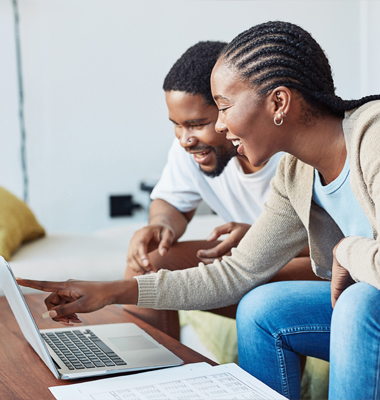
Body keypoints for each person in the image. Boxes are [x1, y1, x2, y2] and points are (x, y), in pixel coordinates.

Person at [17, 21, 380, 399]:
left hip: (366, 307)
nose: (220, 124)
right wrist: (110, 291)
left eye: (223, 107)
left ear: (278, 102)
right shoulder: (295, 173)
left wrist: (345, 250)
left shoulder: (372, 135)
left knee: (360, 299)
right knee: (260, 307)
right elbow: (236, 273)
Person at [124, 41, 314, 339]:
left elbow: (342, 240)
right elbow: (172, 202)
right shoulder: (190, 147)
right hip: (246, 259)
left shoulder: (289, 152)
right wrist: (161, 224)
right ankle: (147, 376)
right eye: (177, 125)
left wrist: (258, 239)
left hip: (310, 265)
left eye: (198, 123)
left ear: (229, 110)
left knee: (263, 282)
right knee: (149, 262)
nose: (185, 139)